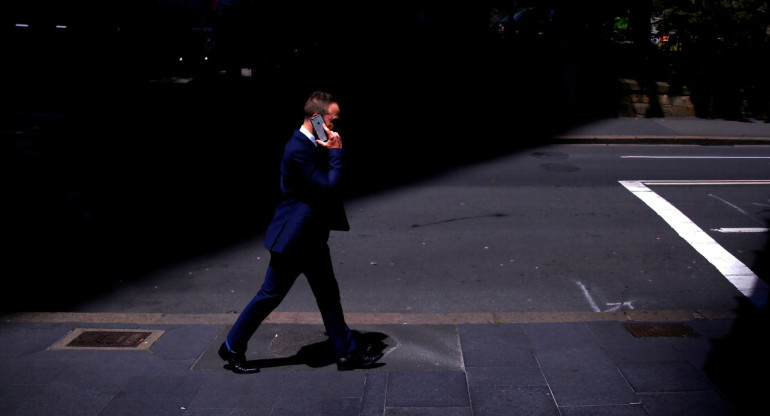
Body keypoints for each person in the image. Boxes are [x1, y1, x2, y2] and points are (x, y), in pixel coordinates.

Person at [218, 91, 383, 373]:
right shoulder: (298, 149)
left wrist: (327, 145)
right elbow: (328, 186)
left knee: (328, 294)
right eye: (332, 120)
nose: (335, 126)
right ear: (317, 118)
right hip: (294, 241)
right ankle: (232, 346)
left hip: (312, 239)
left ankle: (347, 354)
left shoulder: (313, 141)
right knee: (270, 295)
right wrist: (336, 152)